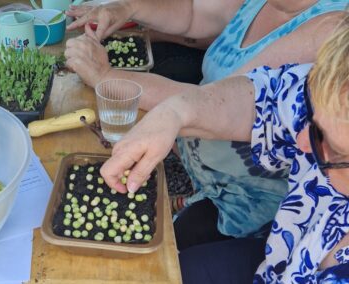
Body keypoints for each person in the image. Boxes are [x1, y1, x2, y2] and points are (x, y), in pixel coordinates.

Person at [64, 0, 348, 250]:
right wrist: (127, 7)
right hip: (202, 168)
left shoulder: (330, 29)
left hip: (246, 202)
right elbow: (193, 13)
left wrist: (106, 77)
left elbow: (223, 102)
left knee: (162, 251)